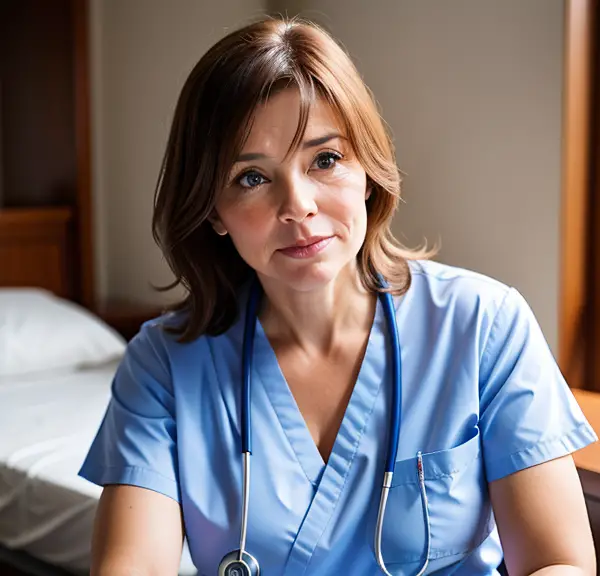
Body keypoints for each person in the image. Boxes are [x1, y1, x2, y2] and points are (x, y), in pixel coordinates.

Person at [79, 16, 597, 576]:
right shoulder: (163, 366)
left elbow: (559, 562)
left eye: (325, 160)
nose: (298, 205)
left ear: (367, 172)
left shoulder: (483, 326)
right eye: (252, 177)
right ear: (212, 211)